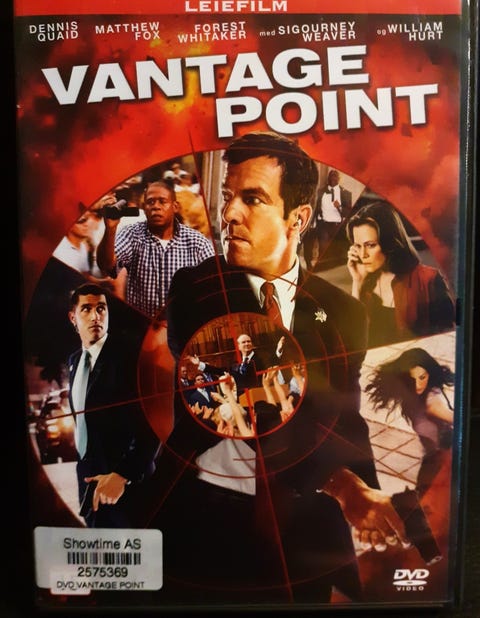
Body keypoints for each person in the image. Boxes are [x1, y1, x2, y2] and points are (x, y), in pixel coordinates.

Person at [151, 131, 409, 603]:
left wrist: (367, 497)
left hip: (305, 522)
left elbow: (344, 416)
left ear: (299, 218)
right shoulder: (195, 290)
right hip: (205, 515)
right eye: (228, 196)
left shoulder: (345, 313)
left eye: (252, 199)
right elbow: (254, 411)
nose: (229, 213)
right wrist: (344, 487)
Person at [67, 282, 160, 527]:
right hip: (89, 480)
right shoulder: (74, 361)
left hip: (126, 485)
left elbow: (154, 421)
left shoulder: (131, 355)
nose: (95, 316)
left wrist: (124, 475)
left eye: (101, 308)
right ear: (73, 318)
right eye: (86, 309)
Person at [95, 179, 215, 318]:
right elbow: (107, 265)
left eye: (162, 202)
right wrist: (110, 229)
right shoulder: (132, 235)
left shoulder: (197, 242)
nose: (156, 207)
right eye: (150, 202)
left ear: (175, 206)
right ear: (144, 207)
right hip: (142, 324)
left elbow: (214, 286)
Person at [346, 200, 456, 347]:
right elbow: (354, 339)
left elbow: (448, 338)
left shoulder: (428, 279)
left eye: (370, 245)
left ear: (390, 243)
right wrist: (357, 282)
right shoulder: (364, 283)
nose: (363, 254)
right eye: (358, 246)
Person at [365, 347, 454, 497]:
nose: (418, 384)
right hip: (431, 461)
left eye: (422, 377)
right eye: (412, 379)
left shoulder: (432, 404)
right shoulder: (414, 395)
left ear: (429, 374)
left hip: (444, 464)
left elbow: (460, 421)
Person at [303, 168, 352, 271]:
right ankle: (320, 269)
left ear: (339, 179)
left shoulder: (346, 193)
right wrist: (312, 222)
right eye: (331, 175)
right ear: (328, 178)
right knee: (323, 249)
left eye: (335, 176)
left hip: (338, 227)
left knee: (336, 252)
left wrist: (339, 207)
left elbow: (348, 213)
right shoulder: (320, 192)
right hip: (323, 225)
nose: (333, 178)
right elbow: (315, 208)